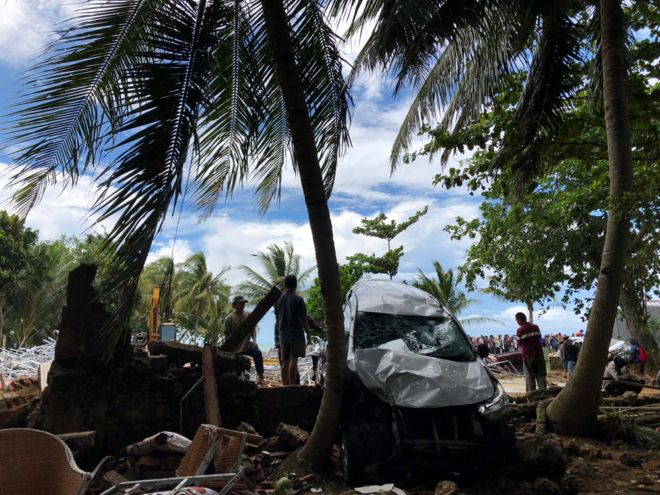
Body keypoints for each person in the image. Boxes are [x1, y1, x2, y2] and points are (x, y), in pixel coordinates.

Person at [275, 275, 311, 385]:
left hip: (283, 333)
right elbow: (303, 318)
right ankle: (291, 385)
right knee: (294, 359)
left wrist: (278, 335)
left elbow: (277, 320)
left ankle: (284, 385)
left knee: (285, 361)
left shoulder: (279, 300)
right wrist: (308, 333)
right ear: (295, 284)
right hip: (296, 332)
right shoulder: (298, 299)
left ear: (285, 285)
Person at [224, 296, 266, 386]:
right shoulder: (229, 318)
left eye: (244, 303)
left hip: (246, 344)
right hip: (234, 347)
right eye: (241, 303)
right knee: (234, 365)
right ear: (235, 305)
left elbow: (252, 330)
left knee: (257, 353)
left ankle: (261, 377)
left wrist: (254, 341)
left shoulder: (248, 315)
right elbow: (227, 336)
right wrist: (228, 350)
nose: (243, 305)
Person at [515, 312, 547, 392]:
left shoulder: (520, 330)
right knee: (541, 376)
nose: (517, 322)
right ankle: (544, 394)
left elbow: (520, 344)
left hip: (528, 356)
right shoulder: (536, 327)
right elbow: (539, 338)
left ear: (519, 320)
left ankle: (532, 396)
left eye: (517, 320)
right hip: (539, 355)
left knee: (530, 377)